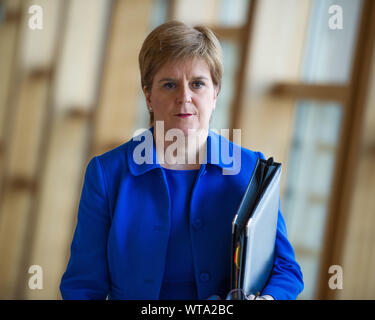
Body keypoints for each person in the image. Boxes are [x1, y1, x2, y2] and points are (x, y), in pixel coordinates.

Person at [60, 21, 303, 300]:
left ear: (215, 93)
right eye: (169, 85)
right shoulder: (107, 174)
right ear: (148, 95)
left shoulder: (251, 170)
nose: (184, 97)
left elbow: (286, 270)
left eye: (198, 84)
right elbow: (83, 286)